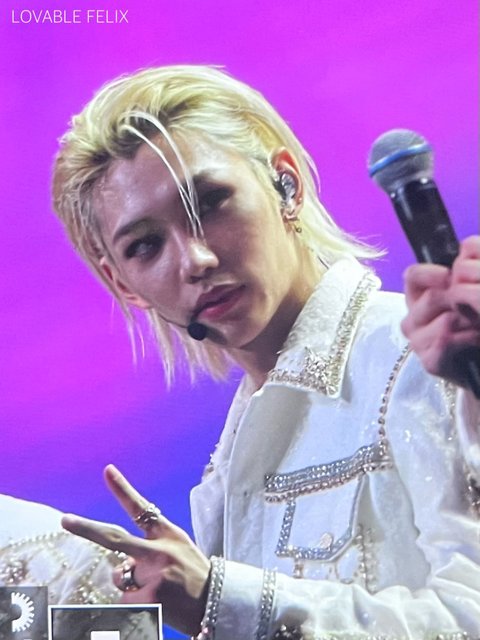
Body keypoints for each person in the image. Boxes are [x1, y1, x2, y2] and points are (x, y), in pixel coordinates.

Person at [51, 65, 480, 638]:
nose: (195, 260)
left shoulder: (423, 359)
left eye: (211, 202)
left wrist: (221, 598)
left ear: (286, 186)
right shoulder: (227, 466)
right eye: (146, 245)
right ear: (123, 284)